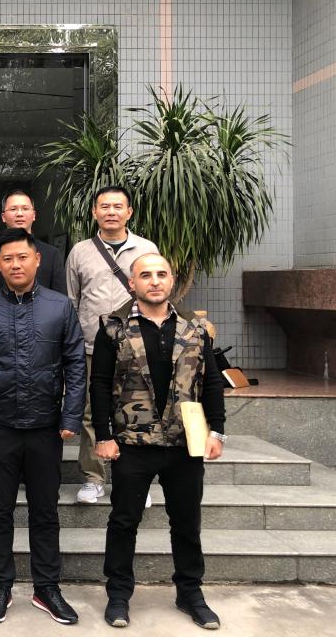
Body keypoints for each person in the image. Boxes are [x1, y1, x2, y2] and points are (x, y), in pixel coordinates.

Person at [91, 253, 226, 630]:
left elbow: (212, 381)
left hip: (185, 442)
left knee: (187, 523)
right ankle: (119, 595)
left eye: (161, 274)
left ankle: (190, 593)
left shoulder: (195, 329)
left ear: (171, 281)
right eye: (145, 275)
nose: (154, 281)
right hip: (133, 442)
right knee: (123, 522)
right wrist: (103, 435)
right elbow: (99, 383)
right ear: (131, 283)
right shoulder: (113, 328)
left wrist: (217, 431)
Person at [0, 228, 86, 625]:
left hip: (46, 427)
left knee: (45, 510)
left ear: (37, 260)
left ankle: (46, 587)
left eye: (22, 257)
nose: (15, 264)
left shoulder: (60, 306)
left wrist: (71, 415)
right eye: (7, 259)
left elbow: (75, 363)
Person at [66, 186, 158, 506]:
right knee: (91, 412)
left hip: (136, 347)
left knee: (136, 410)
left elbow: (154, 296)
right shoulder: (80, 251)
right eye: (104, 206)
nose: (111, 212)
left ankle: (134, 480)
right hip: (91, 346)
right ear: (94, 212)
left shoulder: (146, 248)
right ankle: (92, 478)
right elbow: (72, 300)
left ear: (129, 212)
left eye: (118, 206)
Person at [0, 190, 67, 295]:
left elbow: (60, 297)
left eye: (25, 208)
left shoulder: (52, 254)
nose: (19, 214)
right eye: (13, 209)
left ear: (34, 215)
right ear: (3, 217)